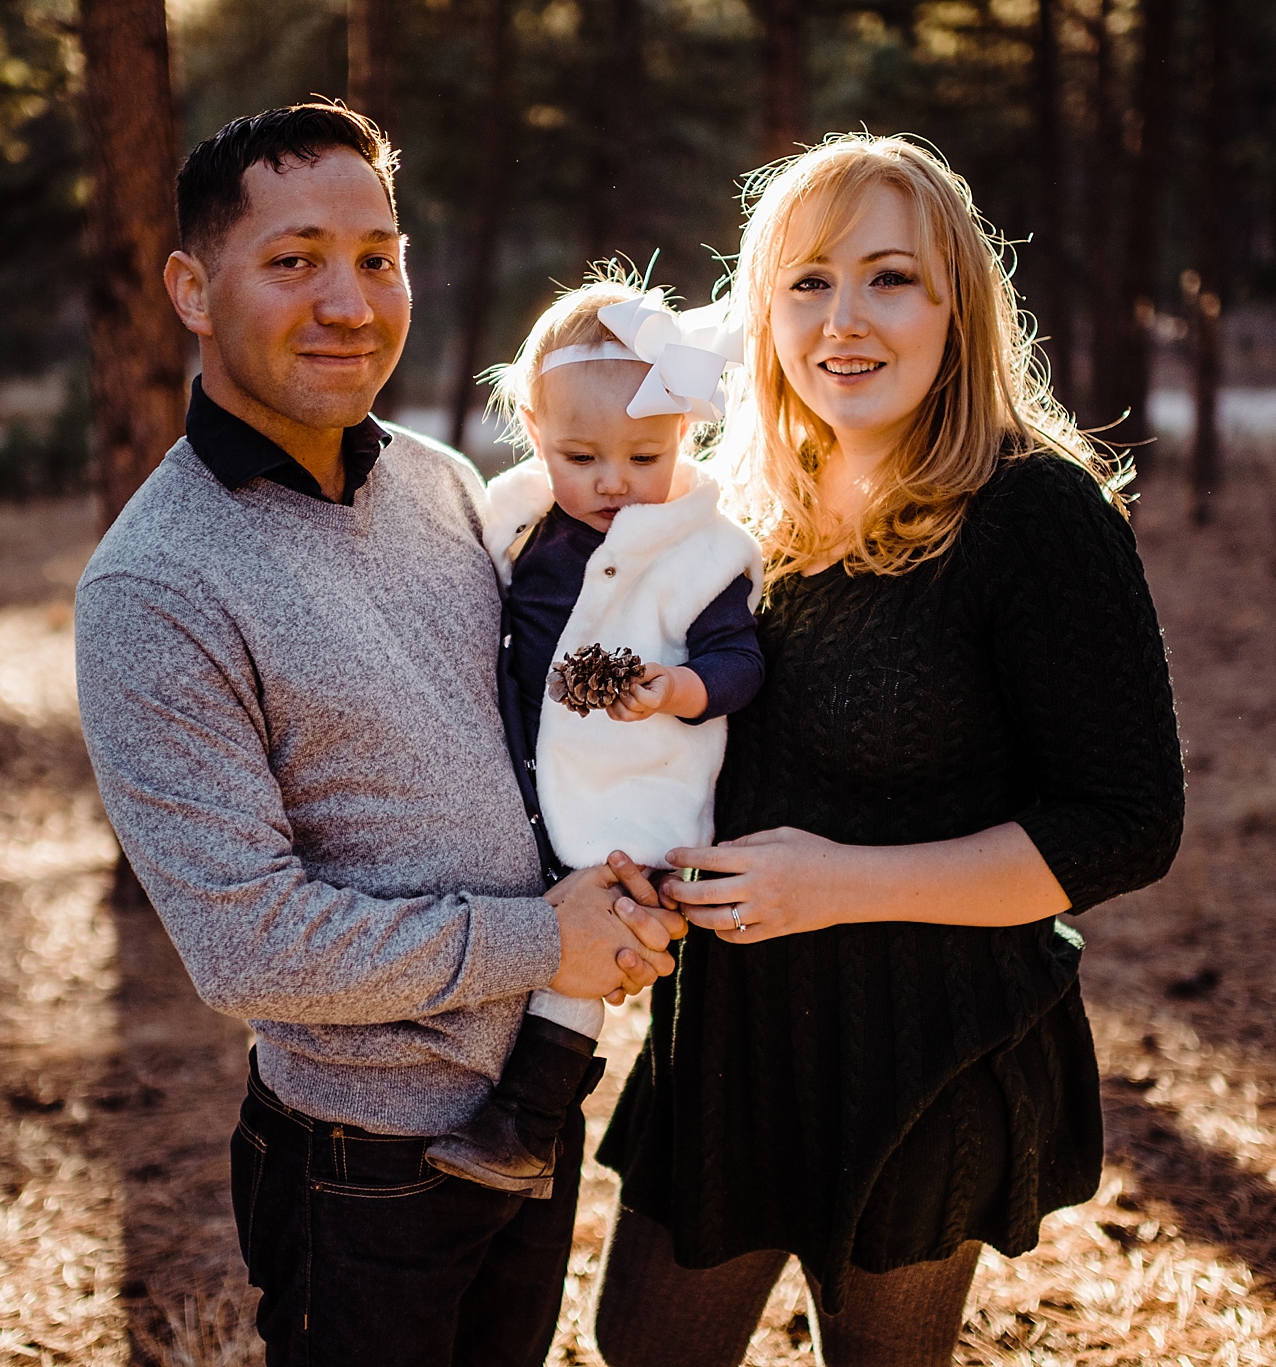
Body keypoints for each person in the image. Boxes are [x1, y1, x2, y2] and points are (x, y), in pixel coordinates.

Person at [73, 104, 683, 1367]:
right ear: (192, 287)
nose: (350, 301)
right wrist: (541, 937)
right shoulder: (156, 586)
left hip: (536, 1095)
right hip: (361, 1165)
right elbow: (250, 946)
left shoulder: (441, 482)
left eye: (378, 255)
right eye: (294, 259)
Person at [591, 134, 1186, 1366]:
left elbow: (1126, 818)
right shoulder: (731, 516)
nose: (842, 318)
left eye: (887, 278)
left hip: (924, 1046)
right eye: (806, 281)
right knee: (642, 1345)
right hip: (729, 1044)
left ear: (954, 301)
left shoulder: (1033, 513)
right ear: (762, 311)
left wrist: (835, 883)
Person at [425, 276, 764, 1196]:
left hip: (637, 791)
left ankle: (529, 1122)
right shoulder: (520, 519)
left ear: (685, 436)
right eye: (581, 456)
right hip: (525, 780)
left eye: (645, 455)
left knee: (598, 927)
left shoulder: (703, 550)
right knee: (530, 929)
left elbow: (743, 662)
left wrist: (683, 688)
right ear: (535, 437)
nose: (614, 481)